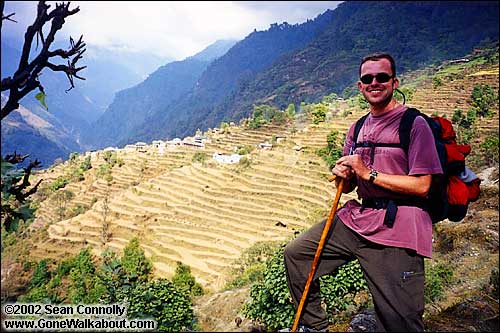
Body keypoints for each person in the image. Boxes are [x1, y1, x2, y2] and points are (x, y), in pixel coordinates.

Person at [283, 52, 443, 332]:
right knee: (297, 255)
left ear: (394, 82)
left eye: (382, 77)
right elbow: (348, 187)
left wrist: (368, 172)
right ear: (360, 86)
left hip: (399, 224)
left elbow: (422, 185)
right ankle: (315, 326)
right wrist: (342, 177)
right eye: (367, 78)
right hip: (358, 218)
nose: (374, 83)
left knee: (401, 322)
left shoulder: (414, 124)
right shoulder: (356, 128)